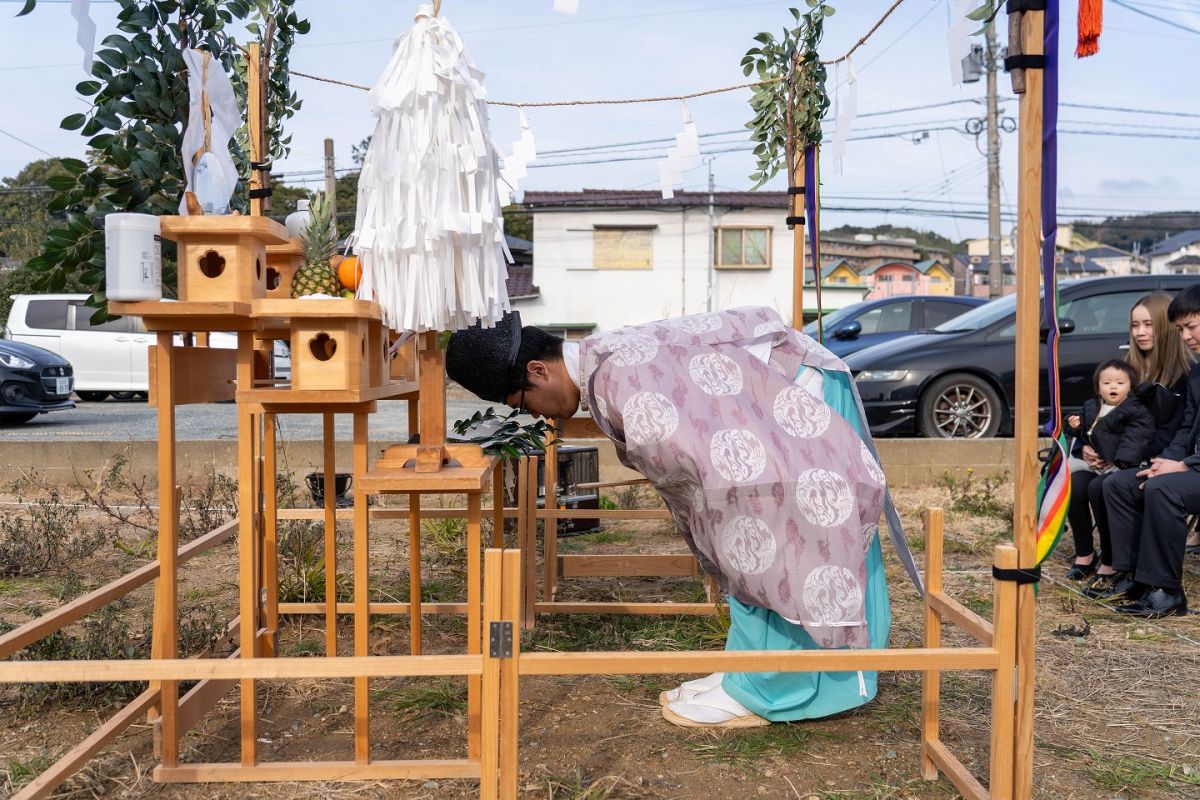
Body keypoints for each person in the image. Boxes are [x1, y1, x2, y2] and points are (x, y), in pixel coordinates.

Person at [446, 307, 917, 728]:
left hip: (795, 393)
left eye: (523, 404)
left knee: (768, 536)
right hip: (780, 389)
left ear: (537, 370)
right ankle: (750, 671)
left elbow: (716, 476)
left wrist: (717, 525)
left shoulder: (617, 378)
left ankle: (775, 690)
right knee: (747, 538)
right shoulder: (603, 362)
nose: (539, 417)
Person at [1066, 293, 1190, 584]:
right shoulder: (1124, 369)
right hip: (1112, 455)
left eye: (1148, 324)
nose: (1140, 332)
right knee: (1076, 481)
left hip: (1150, 457)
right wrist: (1084, 447)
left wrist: (1120, 454)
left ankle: (1115, 562)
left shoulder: (1183, 376)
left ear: (1165, 326)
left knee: (1102, 486)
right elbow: (1096, 414)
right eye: (1135, 325)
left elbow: (1173, 431)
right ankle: (1086, 554)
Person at [1096, 285, 1200, 618]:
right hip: (1192, 465)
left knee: (1163, 489)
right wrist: (1166, 461)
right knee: (1124, 483)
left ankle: (1168, 592)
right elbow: (1187, 428)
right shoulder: (1199, 372)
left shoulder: (1186, 373)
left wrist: (1184, 465)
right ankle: (1137, 578)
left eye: (1190, 327)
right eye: (1180, 329)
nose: (1184, 336)